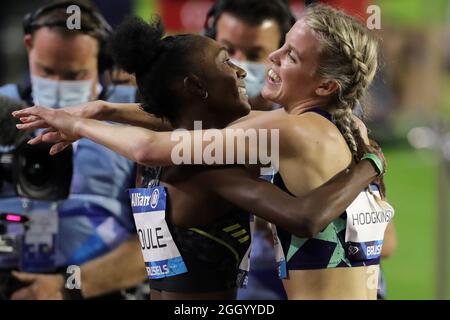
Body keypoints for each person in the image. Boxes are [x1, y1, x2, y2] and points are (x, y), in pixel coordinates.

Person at [14, 14, 387, 300]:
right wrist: (103, 110)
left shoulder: (285, 132)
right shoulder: (350, 128)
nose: (269, 58)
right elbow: (195, 124)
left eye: (289, 54)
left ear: (324, 85)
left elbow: (150, 145)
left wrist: (78, 124)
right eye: (227, 61)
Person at [0, 0, 147, 300]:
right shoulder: (3, 108)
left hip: (100, 290)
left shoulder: (139, 116)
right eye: (46, 70)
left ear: (103, 63)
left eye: (74, 75)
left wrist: (66, 289)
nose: (56, 85)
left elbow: (163, 239)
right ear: (29, 46)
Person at [204, 0, 296, 111]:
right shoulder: (189, 111)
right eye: (228, 50)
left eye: (254, 55)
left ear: (284, 53)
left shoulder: (303, 117)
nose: (237, 69)